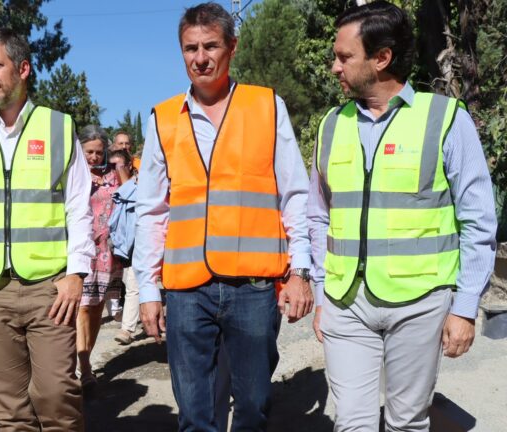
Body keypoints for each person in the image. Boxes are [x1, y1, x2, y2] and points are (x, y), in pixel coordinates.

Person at [308, 2, 497, 431]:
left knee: (407, 422)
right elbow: (318, 217)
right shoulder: (331, 125)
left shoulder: (445, 119)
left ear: (382, 58)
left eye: (344, 57)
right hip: (345, 303)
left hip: (420, 303)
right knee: (351, 423)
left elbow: (478, 220)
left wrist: (465, 308)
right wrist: (321, 293)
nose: (334, 67)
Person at [134, 3, 313, 430]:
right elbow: (152, 210)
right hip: (185, 289)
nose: (200, 57)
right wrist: (147, 289)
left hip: (252, 289)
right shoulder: (163, 119)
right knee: (194, 414)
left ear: (232, 47)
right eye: (190, 48)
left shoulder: (267, 106)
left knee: (252, 406)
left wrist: (300, 271)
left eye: (210, 45)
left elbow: (295, 194)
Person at [0, 28, 93, 431]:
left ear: (23, 68)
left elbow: (79, 207)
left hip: (50, 287)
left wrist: (76, 273)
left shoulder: (59, 127)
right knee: (7, 409)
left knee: (56, 394)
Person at [76, 126, 124, 389]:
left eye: (98, 151)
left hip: (107, 250)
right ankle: (83, 368)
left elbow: (130, 197)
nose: (93, 157)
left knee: (96, 308)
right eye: (89, 152)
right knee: (82, 307)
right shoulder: (71, 176)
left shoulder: (113, 175)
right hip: (82, 249)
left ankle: (87, 359)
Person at [107, 149, 140, 345]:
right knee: (120, 285)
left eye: (120, 166)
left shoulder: (137, 187)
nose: (116, 171)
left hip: (134, 245)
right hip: (112, 246)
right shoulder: (105, 188)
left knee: (133, 285)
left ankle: (127, 329)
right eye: (112, 167)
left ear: (129, 166)